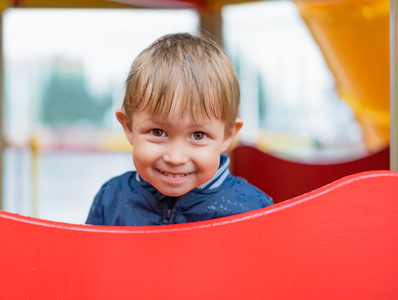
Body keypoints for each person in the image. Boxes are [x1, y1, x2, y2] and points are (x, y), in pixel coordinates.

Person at [86, 32, 273, 226]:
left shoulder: (253, 211)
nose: (175, 158)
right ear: (128, 126)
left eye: (198, 135)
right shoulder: (110, 199)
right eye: (158, 132)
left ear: (227, 135)